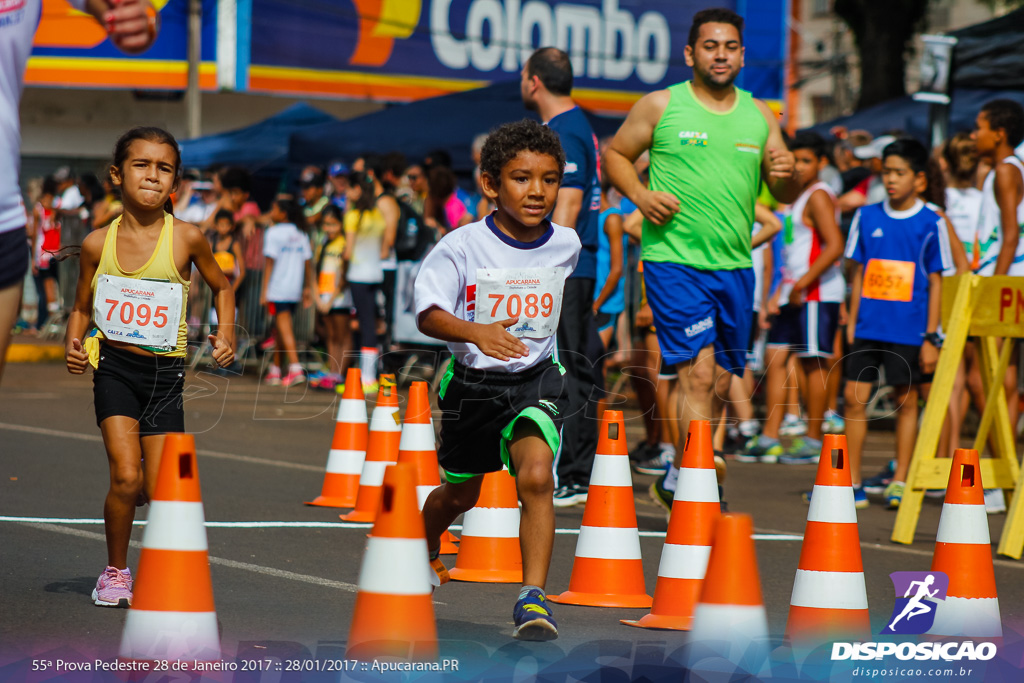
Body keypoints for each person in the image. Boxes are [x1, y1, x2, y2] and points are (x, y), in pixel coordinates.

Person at [603, 7, 798, 511]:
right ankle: (697, 485)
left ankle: (676, 472)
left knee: (725, 379)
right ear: (691, 53)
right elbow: (616, 155)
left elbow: (782, 187)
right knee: (698, 374)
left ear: (742, 54)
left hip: (734, 266)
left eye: (730, 46)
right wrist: (641, 199)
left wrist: (787, 171)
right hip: (673, 260)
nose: (720, 55)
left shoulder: (760, 114)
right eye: (710, 46)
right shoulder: (661, 105)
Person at [415, 119, 579, 641]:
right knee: (459, 495)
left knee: (535, 476)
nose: (537, 192)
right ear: (490, 184)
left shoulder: (566, 244)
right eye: (522, 178)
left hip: (536, 380)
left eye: (550, 179)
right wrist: (475, 332)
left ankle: (533, 598)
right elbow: (427, 313)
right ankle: (422, 545)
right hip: (472, 387)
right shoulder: (461, 246)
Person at [64, 126, 235, 608]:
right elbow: (80, 306)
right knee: (125, 477)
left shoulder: (188, 238)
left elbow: (223, 286)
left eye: (164, 169)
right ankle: (116, 573)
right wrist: (74, 343)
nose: (152, 176)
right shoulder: (98, 243)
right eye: (142, 165)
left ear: (175, 183)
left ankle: (157, 558)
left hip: (165, 378)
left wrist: (225, 332)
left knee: (159, 493)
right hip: (115, 369)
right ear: (118, 175)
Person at [0, 0, 156, 386]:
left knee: (53, 279)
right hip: (41, 237)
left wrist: (120, 12)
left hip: (4, 221)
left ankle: (49, 310)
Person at [844, 138, 954, 509]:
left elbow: (938, 281)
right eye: (886, 172)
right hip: (868, 328)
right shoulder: (866, 216)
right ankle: (853, 482)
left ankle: (901, 479)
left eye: (899, 173)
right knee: (852, 399)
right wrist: (852, 318)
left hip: (909, 330)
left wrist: (930, 337)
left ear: (919, 180)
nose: (890, 179)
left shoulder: (932, 222)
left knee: (906, 404)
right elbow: (857, 273)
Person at [521, 46, 602, 506]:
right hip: (572, 267)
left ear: (534, 81)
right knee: (568, 365)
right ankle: (571, 467)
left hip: (569, 269)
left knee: (570, 368)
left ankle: (575, 472)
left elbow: (568, 206)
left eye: (522, 76)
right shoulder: (569, 126)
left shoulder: (565, 130)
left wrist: (544, 265)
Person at [742, 132, 846, 470]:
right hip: (791, 292)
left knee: (812, 364)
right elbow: (790, 251)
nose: (798, 167)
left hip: (815, 292)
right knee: (775, 358)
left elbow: (834, 246)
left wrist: (803, 283)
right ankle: (771, 436)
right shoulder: (793, 198)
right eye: (794, 160)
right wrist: (778, 291)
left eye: (806, 161)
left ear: (821, 163)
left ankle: (814, 439)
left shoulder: (818, 195)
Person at [344, 171, 391, 390]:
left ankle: (367, 378)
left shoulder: (353, 216)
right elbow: (383, 248)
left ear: (357, 190)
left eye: (349, 188)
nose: (346, 192)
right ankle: (368, 374)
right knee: (370, 323)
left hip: (358, 275)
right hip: (375, 274)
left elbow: (347, 252)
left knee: (363, 325)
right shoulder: (377, 215)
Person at [261, 196, 313, 387]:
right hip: (295, 287)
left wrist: (264, 290)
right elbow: (308, 263)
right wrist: (307, 287)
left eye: (274, 209)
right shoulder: (301, 233)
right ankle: (275, 369)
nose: (271, 213)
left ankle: (295, 367)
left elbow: (269, 264)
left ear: (283, 213)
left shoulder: (273, 232)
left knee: (284, 328)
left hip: (278, 287)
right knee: (281, 329)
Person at [311, 204, 353, 390]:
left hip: (340, 296)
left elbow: (344, 275)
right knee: (331, 335)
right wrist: (319, 298)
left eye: (333, 224)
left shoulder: (344, 243)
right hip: (325, 294)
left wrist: (330, 299)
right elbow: (317, 270)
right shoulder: (323, 244)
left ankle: (340, 373)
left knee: (342, 334)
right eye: (326, 225)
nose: (329, 229)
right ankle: (332, 370)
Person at [30, 176, 61, 332]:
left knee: (48, 286)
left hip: (45, 252)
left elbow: (35, 234)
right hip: (60, 251)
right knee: (57, 286)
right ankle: (55, 319)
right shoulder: (61, 205)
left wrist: (33, 259)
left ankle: (52, 322)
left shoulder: (39, 208)